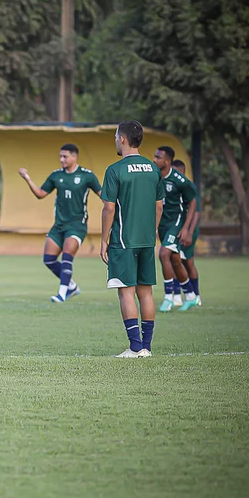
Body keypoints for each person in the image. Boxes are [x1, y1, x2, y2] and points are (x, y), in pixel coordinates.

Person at [99, 121, 164, 358]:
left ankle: (135, 346)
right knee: (145, 292)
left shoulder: (115, 170)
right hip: (147, 240)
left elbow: (108, 209)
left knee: (126, 293)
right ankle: (146, 347)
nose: (115, 140)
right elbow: (159, 207)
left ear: (123, 139)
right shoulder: (153, 169)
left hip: (123, 241)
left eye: (116, 136)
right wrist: (151, 232)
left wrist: (104, 240)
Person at [17, 143, 101, 302]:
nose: (62, 159)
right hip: (59, 225)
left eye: (65, 156)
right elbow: (40, 194)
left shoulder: (87, 176)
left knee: (67, 256)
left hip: (77, 225)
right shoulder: (56, 176)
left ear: (74, 157)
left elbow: (103, 194)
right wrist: (27, 178)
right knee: (48, 259)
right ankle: (72, 286)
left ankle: (62, 294)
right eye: (60, 156)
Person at [153, 146, 200, 312]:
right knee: (175, 260)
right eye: (155, 156)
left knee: (163, 254)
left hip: (177, 222)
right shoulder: (155, 177)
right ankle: (191, 295)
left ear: (167, 161)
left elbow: (193, 201)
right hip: (164, 224)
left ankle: (168, 297)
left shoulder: (179, 179)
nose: (154, 160)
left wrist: (186, 228)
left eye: (158, 157)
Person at [171, 160, 202, 305]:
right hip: (176, 228)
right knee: (173, 259)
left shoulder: (188, 186)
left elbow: (196, 212)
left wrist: (189, 232)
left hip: (188, 229)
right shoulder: (171, 185)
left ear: (182, 172)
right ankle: (176, 295)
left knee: (187, 262)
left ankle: (195, 295)